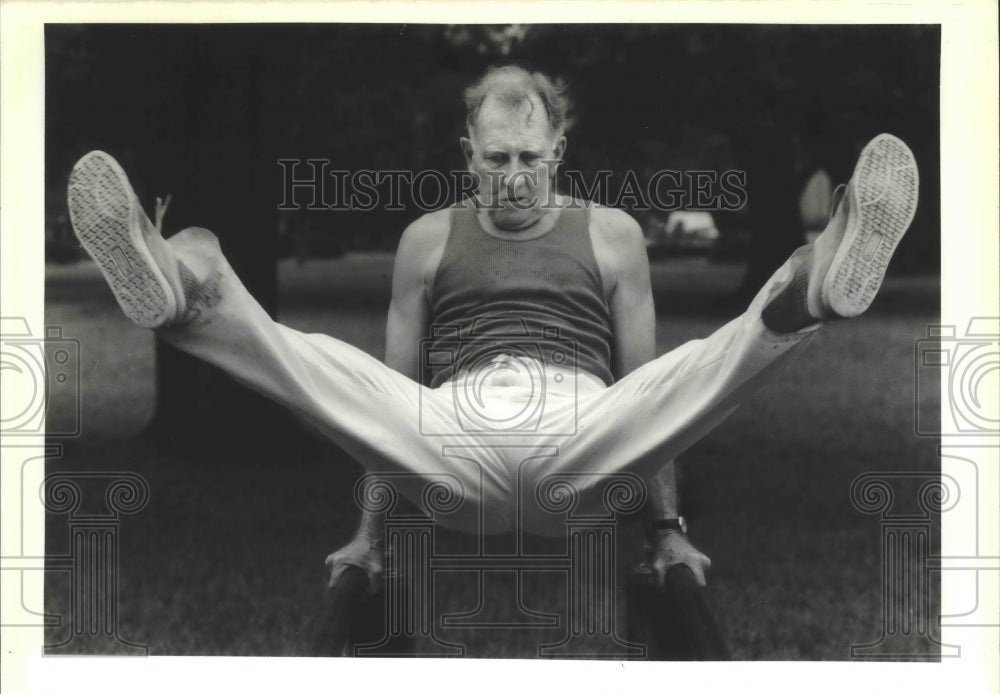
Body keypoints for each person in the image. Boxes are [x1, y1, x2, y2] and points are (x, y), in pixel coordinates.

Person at [66, 66, 918, 625]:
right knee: (305, 353)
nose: (516, 175)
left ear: (560, 151)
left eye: (533, 158)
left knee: (707, 363)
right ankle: (184, 281)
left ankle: (814, 282)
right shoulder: (427, 239)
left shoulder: (615, 235)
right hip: (450, 442)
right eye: (498, 156)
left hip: (586, 440)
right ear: (466, 153)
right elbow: (380, 401)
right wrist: (368, 536)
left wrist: (666, 530)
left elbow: (656, 397)